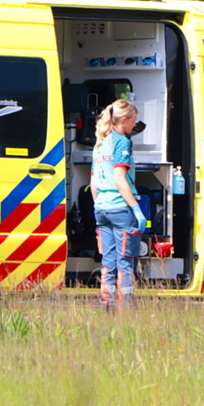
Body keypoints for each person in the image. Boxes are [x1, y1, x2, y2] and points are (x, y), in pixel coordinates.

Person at [90, 99, 145, 309]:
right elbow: (120, 179)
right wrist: (136, 209)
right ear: (124, 120)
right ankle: (126, 310)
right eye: (133, 121)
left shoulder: (99, 143)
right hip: (120, 208)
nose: (134, 126)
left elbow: (93, 183)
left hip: (102, 208)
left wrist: (99, 205)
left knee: (108, 262)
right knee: (126, 261)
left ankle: (107, 306)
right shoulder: (121, 142)